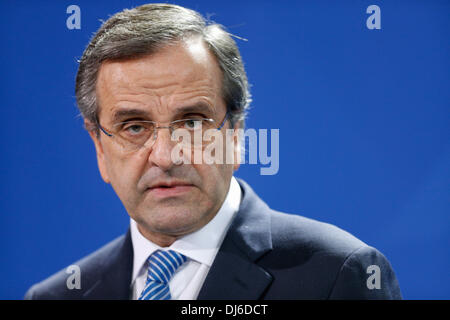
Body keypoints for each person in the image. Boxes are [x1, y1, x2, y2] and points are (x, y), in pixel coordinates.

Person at [24, 3, 401, 300]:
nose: (166, 155)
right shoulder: (56, 295)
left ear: (236, 135)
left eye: (192, 122)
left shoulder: (337, 276)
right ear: (100, 149)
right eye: (134, 127)